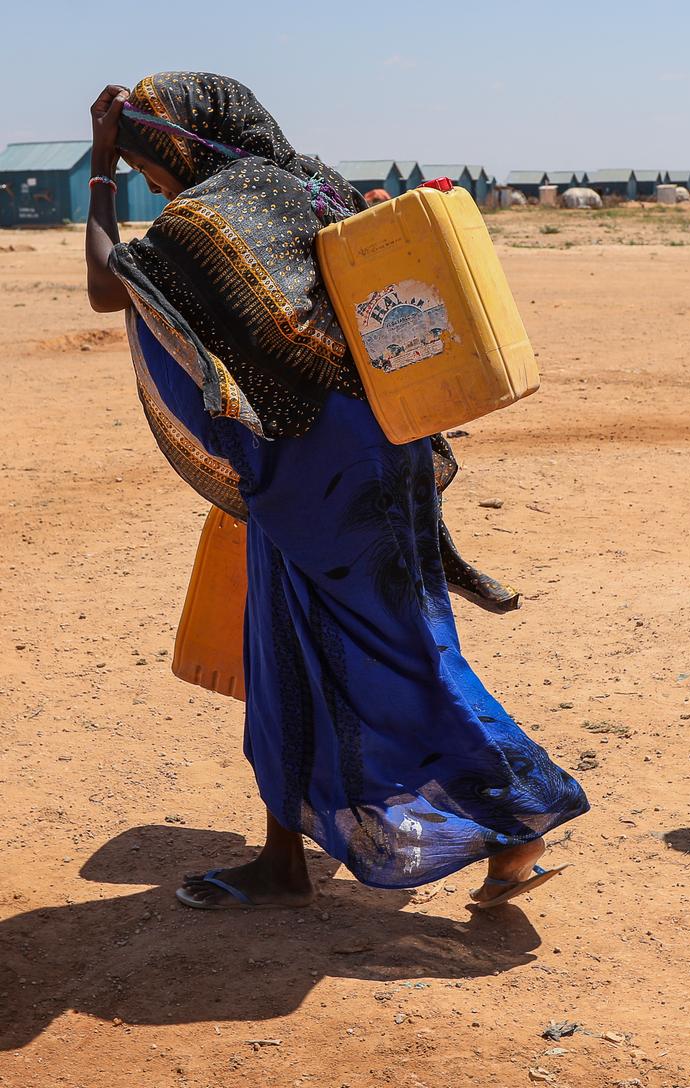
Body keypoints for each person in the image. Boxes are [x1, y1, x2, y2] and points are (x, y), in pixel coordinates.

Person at [85, 74, 588, 910]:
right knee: (284, 653)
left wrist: (98, 167)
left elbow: (110, 287)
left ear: (178, 143)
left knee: (395, 649)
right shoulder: (313, 186)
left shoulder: (206, 219)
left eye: (148, 165)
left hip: (320, 473)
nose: (152, 185)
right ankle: (283, 859)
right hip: (367, 453)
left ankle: (521, 818)